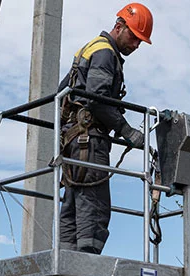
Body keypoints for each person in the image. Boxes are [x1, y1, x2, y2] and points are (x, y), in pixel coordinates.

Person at [57, 3, 153, 255]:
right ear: (119, 27)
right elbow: (97, 99)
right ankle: (87, 265)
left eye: (140, 41)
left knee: (74, 201)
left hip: (72, 140)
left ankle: (66, 261)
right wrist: (127, 130)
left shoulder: (89, 49)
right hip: (89, 140)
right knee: (94, 203)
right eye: (134, 37)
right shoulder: (105, 53)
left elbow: (61, 93)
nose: (136, 45)